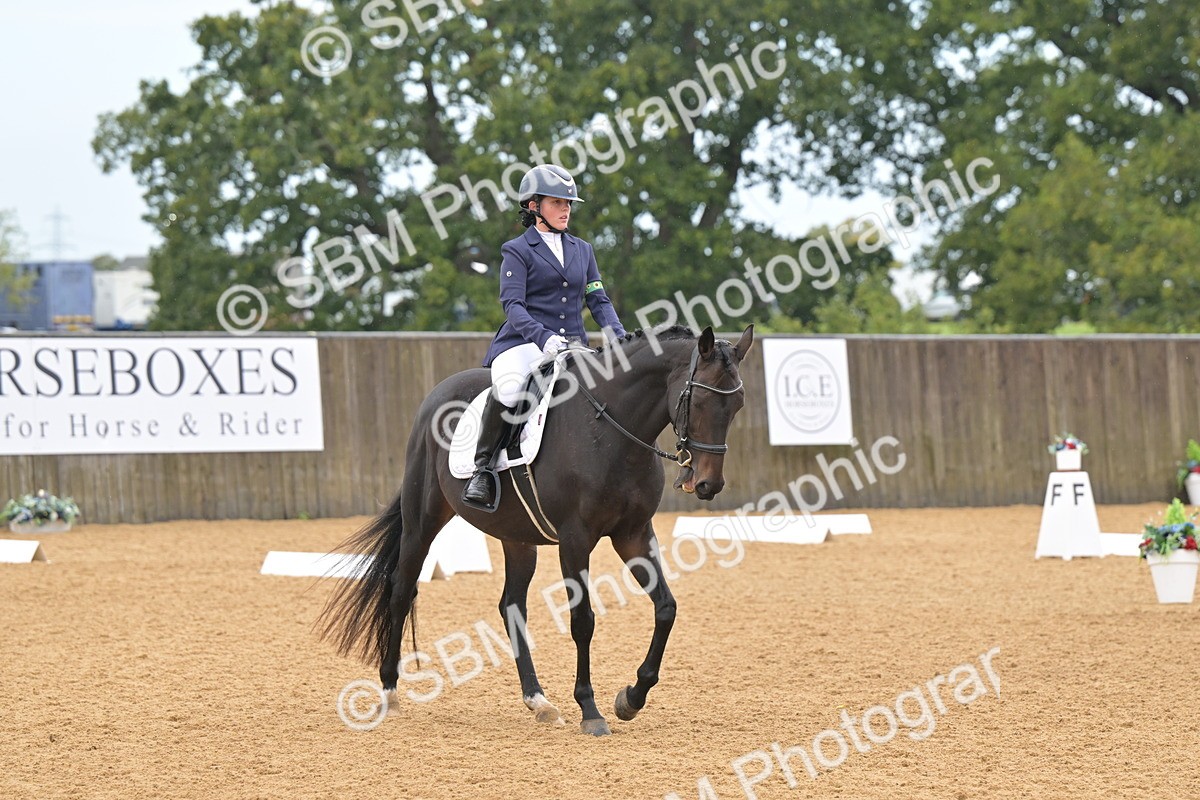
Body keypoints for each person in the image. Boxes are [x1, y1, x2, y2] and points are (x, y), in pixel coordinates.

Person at [462, 164, 627, 509]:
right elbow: (513, 305)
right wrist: (543, 337)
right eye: (558, 202)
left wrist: (619, 337)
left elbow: (598, 299)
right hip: (524, 343)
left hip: (573, 346)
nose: (566, 209)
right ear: (534, 206)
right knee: (508, 388)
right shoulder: (517, 250)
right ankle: (484, 469)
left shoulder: (583, 250)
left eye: (569, 203)